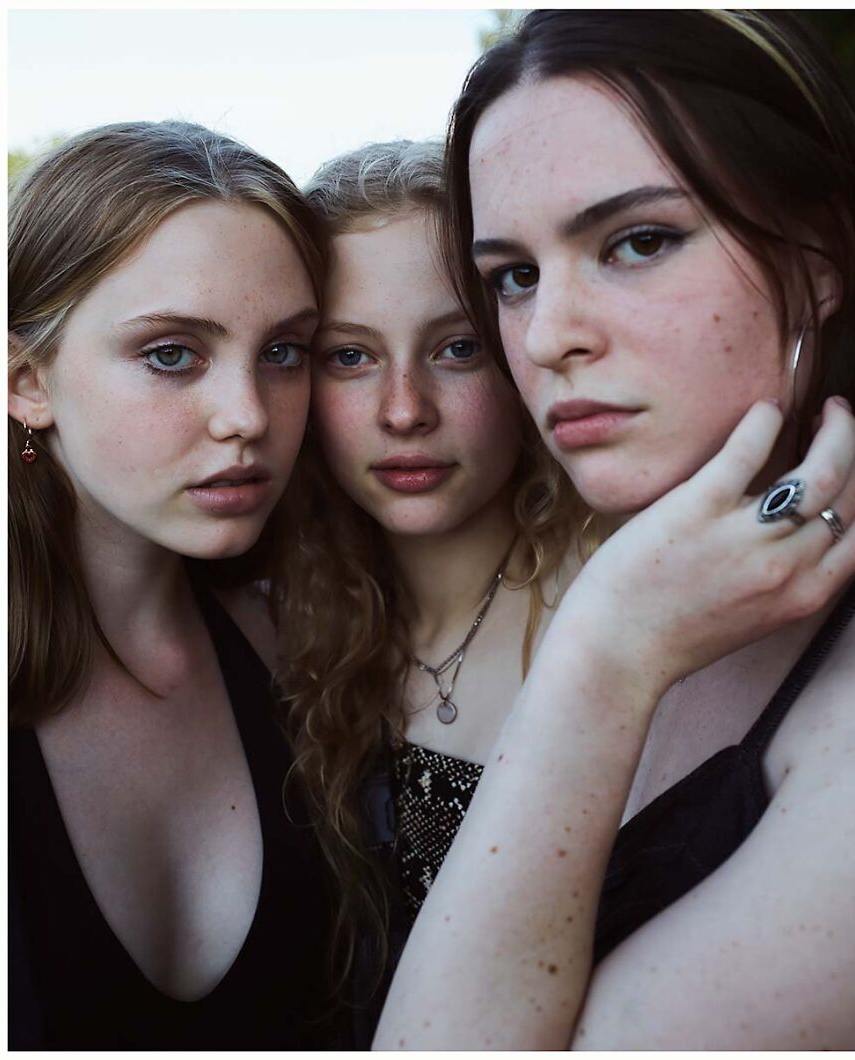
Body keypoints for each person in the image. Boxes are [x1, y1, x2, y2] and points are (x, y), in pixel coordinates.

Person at [374, 10, 855, 1049]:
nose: (549, 337)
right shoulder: (646, 571)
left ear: (820, 255)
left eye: (637, 241)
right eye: (513, 275)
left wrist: (603, 653)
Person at [8, 120, 341, 1049]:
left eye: (284, 352)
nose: (248, 417)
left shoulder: (301, 650)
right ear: (27, 379)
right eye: (171, 354)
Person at [275, 139, 589, 1042]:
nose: (404, 409)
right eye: (349, 357)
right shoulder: (277, 624)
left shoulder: (616, 600)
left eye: (455, 348)